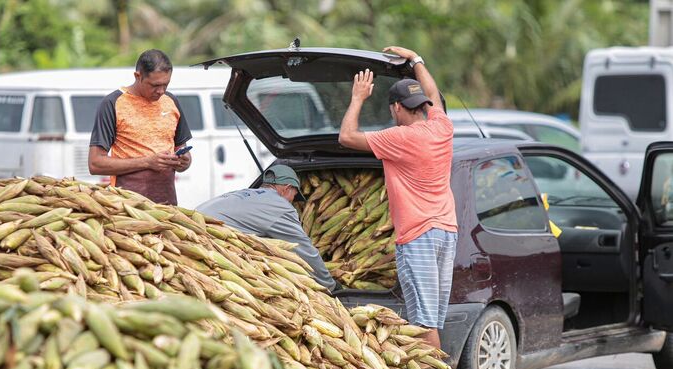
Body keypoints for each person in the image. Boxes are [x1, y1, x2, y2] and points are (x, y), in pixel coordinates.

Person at [337, 45, 456, 348]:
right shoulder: (442, 127)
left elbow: (346, 137)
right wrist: (416, 59)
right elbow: (434, 92)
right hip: (446, 231)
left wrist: (357, 98)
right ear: (423, 106)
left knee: (424, 322)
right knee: (432, 316)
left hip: (419, 235)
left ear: (396, 108)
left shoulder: (400, 137)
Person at [196, 165, 339, 292]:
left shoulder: (243, 194)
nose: (292, 202)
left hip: (191, 232)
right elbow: (304, 250)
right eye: (294, 196)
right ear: (287, 188)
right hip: (205, 245)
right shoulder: (279, 205)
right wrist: (330, 285)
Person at [88, 49, 192, 205]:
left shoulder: (171, 101)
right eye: (155, 85)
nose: (161, 91)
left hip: (167, 206)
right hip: (126, 207)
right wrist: (147, 162)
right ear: (138, 76)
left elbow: (183, 152)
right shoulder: (113, 103)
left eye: (166, 84)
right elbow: (95, 163)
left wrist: (184, 161)